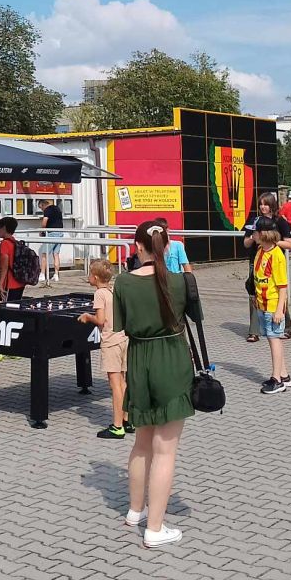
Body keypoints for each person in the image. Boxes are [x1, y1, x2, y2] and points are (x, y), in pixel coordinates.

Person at [115, 220, 200, 548]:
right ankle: (155, 528)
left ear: (137, 246)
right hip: (171, 360)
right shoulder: (181, 281)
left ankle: (135, 511)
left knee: (141, 444)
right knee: (165, 450)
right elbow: (195, 319)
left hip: (139, 361)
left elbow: (120, 326)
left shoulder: (123, 282)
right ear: (167, 247)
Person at [78, 259, 130, 440]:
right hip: (122, 338)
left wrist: (87, 317)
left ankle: (117, 427)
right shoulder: (113, 290)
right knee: (123, 382)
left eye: (89, 274)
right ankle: (127, 419)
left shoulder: (99, 294)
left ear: (95, 277)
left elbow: (100, 320)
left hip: (110, 341)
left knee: (115, 385)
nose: (88, 277)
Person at [242, 193, 291, 342]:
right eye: (261, 204)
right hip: (257, 259)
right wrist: (253, 238)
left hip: (273, 261)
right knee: (254, 291)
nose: (262, 207)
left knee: (277, 291)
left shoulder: (280, 221)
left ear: (272, 205)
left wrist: (270, 241)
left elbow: (289, 244)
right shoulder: (255, 221)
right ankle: (254, 330)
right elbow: (245, 242)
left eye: (266, 204)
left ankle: (285, 325)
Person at [252, 217, 291, 394]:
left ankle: (277, 380)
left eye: (254, 232)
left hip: (273, 305)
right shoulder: (260, 250)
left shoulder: (277, 255)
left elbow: (282, 286)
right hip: (262, 303)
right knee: (271, 338)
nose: (252, 235)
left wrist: (279, 310)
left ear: (262, 234)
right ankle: (284, 375)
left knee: (274, 339)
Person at [0, 216, 24, 304]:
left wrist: (0, 283)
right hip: (20, 281)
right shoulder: (16, 243)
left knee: (7, 307)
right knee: (16, 306)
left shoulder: (4, 243)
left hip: (10, 283)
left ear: (3, 228)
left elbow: (4, 265)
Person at [38, 198, 64, 284]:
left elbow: (44, 222)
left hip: (52, 234)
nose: (41, 210)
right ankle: (56, 275)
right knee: (56, 254)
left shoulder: (47, 210)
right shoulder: (57, 208)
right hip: (60, 233)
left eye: (41, 208)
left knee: (44, 254)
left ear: (43, 205)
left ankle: (42, 274)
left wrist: (41, 231)